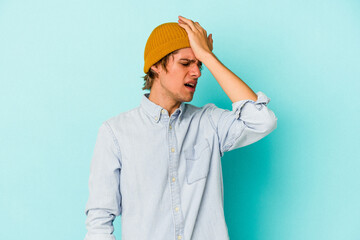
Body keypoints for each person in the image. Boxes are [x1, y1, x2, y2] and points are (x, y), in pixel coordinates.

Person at [84, 15, 278, 240]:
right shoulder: (115, 132)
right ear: (156, 66)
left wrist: (208, 55)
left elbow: (263, 121)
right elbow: (99, 220)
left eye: (200, 65)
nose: (196, 73)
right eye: (186, 63)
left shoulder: (210, 122)